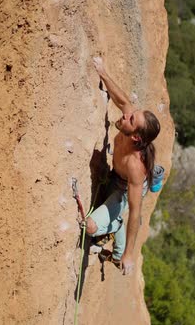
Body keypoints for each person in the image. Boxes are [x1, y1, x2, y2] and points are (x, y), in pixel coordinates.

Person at [85, 57, 160, 275]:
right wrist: (103, 72)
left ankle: (114, 227)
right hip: (114, 176)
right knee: (106, 201)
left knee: (90, 227)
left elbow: (135, 212)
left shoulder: (136, 166)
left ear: (136, 138)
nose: (126, 116)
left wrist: (129, 254)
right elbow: (121, 100)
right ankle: (116, 249)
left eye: (131, 120)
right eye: (132, 115)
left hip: (124, 190)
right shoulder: (128, 119)